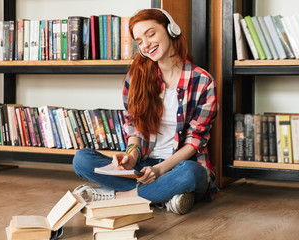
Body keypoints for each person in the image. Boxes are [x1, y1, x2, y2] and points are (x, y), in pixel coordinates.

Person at [73, 8, 218, 215]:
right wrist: (130, 158)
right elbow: (135, 131)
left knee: (191, 174)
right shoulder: (136, 78)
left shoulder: (203, 81)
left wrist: (160, 170)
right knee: (81, 159)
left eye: (151, 34)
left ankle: (118, 198)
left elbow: (195, 142)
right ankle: (164, 197)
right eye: (140, 41)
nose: (146, 44)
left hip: (179, 166)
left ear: (171, 30)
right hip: (144, 166)